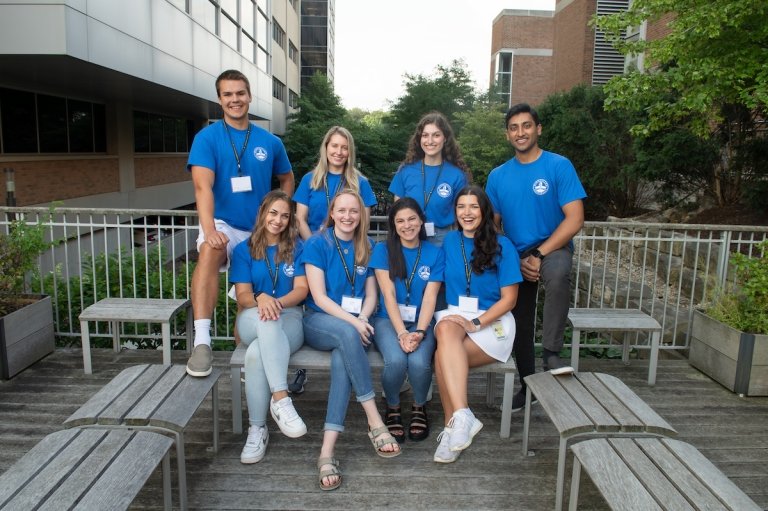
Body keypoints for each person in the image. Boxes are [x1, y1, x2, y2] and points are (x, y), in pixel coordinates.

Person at [185, 69, 294, 378]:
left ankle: (247, 365)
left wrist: (282, 214)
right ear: (220, 99)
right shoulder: (206, 138)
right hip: (224, 223)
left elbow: (287, 177)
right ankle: (203, 341)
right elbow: (202, 188)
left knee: (248, 301)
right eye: (228, 94)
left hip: (260, 229)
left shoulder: (269, 141)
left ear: (249, 96)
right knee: (209, 251)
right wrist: (210, 231)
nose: (235, 99)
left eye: (240, 93)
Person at [485, 103, 586, 412]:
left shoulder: (559, 166)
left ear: (538, 129)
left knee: (557, 276)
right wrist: (513, 257)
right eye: (514, 127)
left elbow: (575, 218)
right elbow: (492, 225)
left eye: (526, 125)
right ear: (507, 134)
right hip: (516, 251)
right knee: (518, 318)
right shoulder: (498, 176)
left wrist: (540, 254)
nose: (520, 132)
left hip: (552, 245)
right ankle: (528, 385)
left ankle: (552, 353)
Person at [301, 189, 401, 491]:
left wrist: (363, 319)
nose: (347, 216)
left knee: (341, 359)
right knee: (347, 335)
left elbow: (372, 295)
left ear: (361, 215)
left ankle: (326, 452)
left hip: (357, 324)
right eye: (342, 210)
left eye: (354, 211)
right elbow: (318, 296)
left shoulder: (368, 246)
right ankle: (375, 420)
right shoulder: (317, 243)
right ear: (332, 213)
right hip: (320, 321)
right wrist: (353, 323)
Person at [432, 185, 521, 464]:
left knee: (440, 356)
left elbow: (510, 300)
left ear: (484, 211)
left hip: (493, 319)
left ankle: (454, 424)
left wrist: (476, 322)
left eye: (473, 206)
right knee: (446, 330)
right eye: (461, 207)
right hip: (456, 315)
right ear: (454, 212)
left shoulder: (503, 245)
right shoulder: (449, 241)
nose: (467, 213)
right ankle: (461, 419)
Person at [229, 191, 307, 463]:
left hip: (290, 317)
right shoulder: (244, 249)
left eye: (285, 215)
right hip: (252, 316)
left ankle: (257, 428)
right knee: (266, 319)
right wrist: (262, 299)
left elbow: (301, 290)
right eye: (273, 213)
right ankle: (282, 398)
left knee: (255, 354)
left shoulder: (297, 248)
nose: (278, 220)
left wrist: (274, 303)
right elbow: (243, 297)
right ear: (263, 213)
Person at [370, 198, 444, 443]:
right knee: (396, 361)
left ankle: (418, 406)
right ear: (393, 224)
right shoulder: (383, 250)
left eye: (412, 219)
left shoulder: (434, 252)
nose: (407, 225)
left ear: (421, 220)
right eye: (400, 221)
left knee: (420, 362)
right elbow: (388, 295)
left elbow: (430, 296)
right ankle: (392, 407)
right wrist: (402, 333)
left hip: (421, 321)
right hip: (387, 321)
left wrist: (421, 331)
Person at [389, 112, 471, 247]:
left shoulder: (457, 175)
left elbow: (462, 214)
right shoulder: (405, 171)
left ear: (445, 138)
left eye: (436, 135)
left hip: (443, 239)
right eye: (425, 135)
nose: (430, 141)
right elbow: (397, 210)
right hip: (410, 235)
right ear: (419, 139)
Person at [294, 126, 377, 239]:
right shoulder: (309, 180)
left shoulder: (361, 183)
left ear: (350, 152)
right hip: (313, 248)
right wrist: (314, 247)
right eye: (334, 146)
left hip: (348, 249)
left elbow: (364, 225)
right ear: (326, 147)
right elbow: (300, 219)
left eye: (344, 148)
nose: (339, 152)